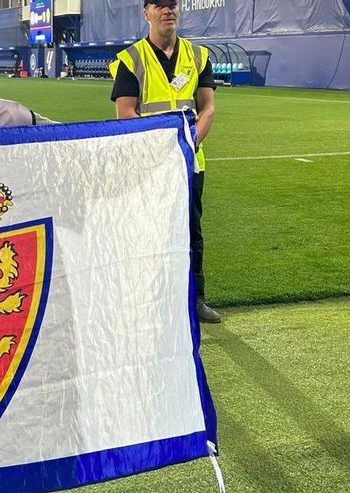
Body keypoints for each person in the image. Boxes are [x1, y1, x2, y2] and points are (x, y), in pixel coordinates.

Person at [110, 0, 221, 323]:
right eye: (159, 5)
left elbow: (208, 109)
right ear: (146, 13)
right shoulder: (131, 60)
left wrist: (186, 147)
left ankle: (195, 300)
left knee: (191, 232)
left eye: (172, 4)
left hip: (188, 163)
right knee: (147, 233)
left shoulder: (198, 56)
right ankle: (149, 301)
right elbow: (125, 114)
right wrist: (161, 152)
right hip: (147, 167)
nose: (167, 10)